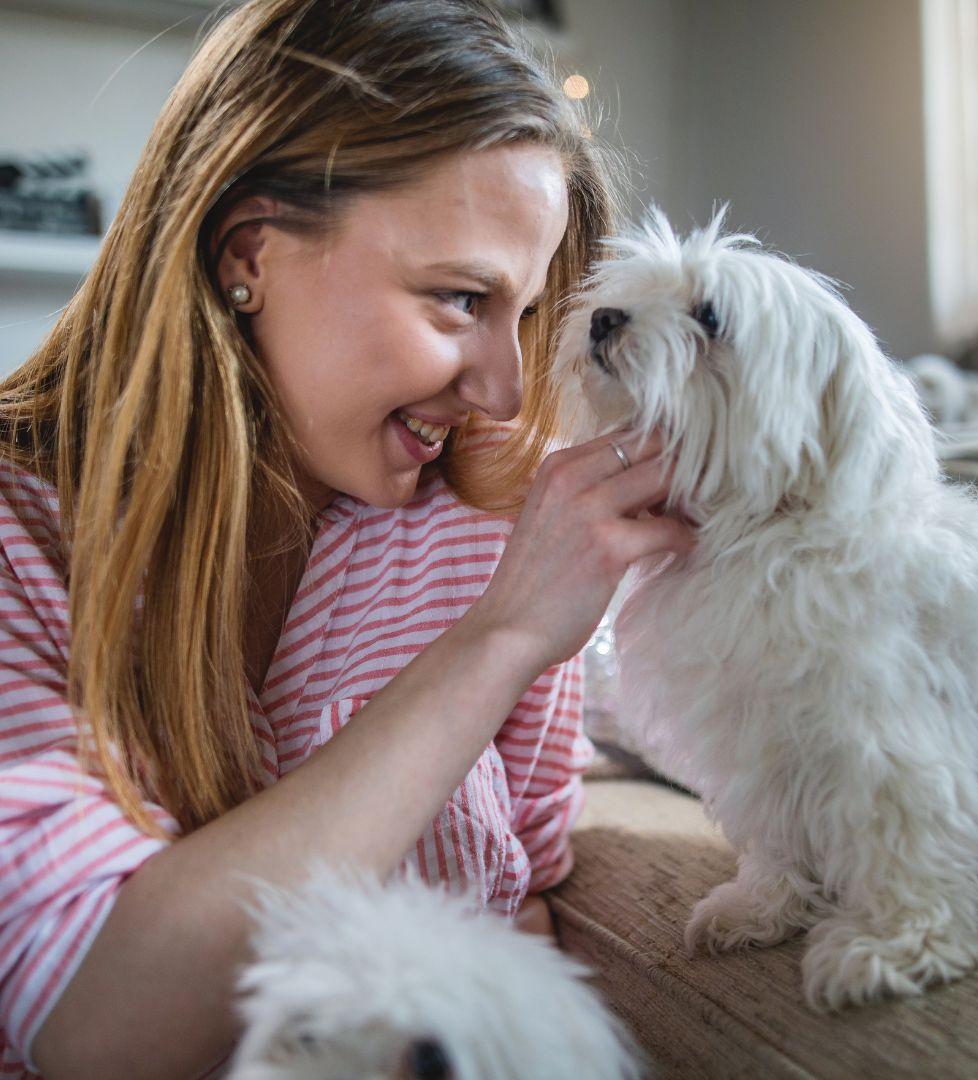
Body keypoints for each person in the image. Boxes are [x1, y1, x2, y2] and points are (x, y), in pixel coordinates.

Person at [0, 1, 695, 1076]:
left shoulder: (473, 529)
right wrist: (499, 641)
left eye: (519, 315)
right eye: (460, 298)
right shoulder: (22, 544)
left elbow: (528, 891)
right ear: (250, 257)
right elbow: (99, 1025)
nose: (504, 389)